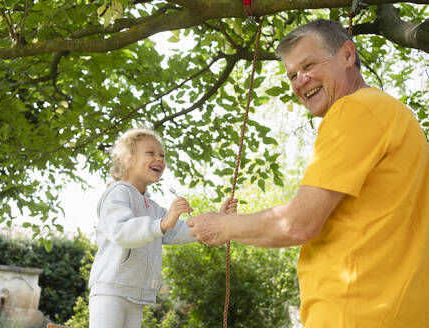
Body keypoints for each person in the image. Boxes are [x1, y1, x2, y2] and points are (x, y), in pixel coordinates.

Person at [187, 19, 429, 327]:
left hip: (355, 314)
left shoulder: (354, 110)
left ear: (347, 55)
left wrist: (223, 227)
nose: (300, 80)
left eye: (309, 64)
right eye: (292, 75)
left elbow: (298, 224)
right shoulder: (395, 114)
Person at [88, 127, 237, 328]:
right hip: (110, 290)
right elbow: (122, 231)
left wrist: (219, 221)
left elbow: (178, 231)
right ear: (127, 159)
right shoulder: (117, 194)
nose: (159, 159)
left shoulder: (152, 207)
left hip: (136, 293)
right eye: (150, 153)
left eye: (162, 155)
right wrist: (163, 223)